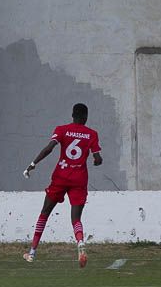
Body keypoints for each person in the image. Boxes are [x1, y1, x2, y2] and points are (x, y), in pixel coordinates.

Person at [22, 103, 102, 267]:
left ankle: (32, 252)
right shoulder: (92, 134)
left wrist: (33, 163)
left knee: (45, 212)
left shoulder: (62, 129)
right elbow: (98, 158)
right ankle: (80, 243)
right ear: (85, 117)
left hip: (61, 176)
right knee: (76, 218)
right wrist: (96, 161)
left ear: (72, 116)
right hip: (79, 179)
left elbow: (49, 148)